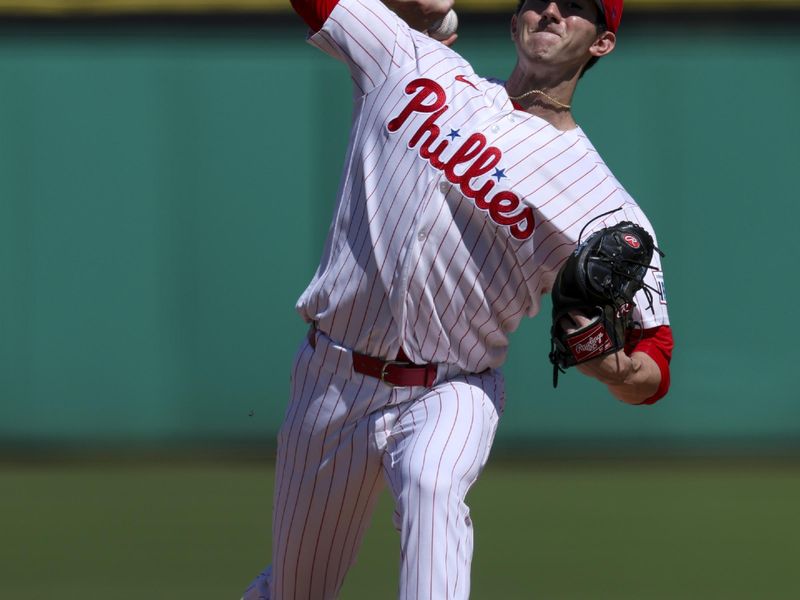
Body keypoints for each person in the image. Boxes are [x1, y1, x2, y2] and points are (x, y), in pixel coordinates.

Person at [243, 0, 674, 598]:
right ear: (514, 21)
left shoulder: (606, 206)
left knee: (430, 484)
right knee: (297, 591)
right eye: (538, 1)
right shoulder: (409, 60)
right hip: (331, 376)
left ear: (601, 43)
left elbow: (655, 362)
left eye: (575, 8)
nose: (551, 11)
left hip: (451, 387)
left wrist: (616, 367)